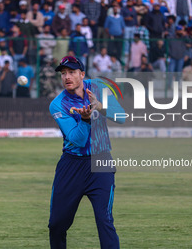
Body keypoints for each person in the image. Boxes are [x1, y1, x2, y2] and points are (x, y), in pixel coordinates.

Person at [48, 55, 123, 248]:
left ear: (82, 74)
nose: (67, 77)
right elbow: (78, 139)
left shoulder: (98, 86)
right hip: (72, 165)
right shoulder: (58, 104)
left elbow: (121, 116)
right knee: (57, 225)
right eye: (63, 73)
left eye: (72, 72)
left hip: (101, 161)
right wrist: (86, 119)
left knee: (105, 221)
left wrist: (100, 106)